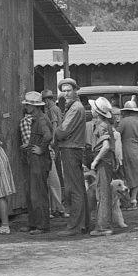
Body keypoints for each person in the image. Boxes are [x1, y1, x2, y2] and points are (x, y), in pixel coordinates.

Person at [53, 77, 91, 236]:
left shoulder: (75, 108)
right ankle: (83, 224)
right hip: (72, 148)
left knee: (73, 189)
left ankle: (74, 226)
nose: (66, 93)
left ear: (76, 91)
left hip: (70, 149)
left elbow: (63, 131)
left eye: (69, 90)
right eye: (64, 90)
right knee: (78, 188)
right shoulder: (74, 106)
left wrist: (54, 131)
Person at [18, 91, 53, 234]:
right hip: (34, 160)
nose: (26, 107)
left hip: (39, 160)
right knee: (31, 193)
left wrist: (41, 149)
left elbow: (48, 136)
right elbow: (41, 137)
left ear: (34, 106)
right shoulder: (36, 119)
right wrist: (31, 144)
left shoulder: (42, 119)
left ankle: (42, 225)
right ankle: (33, 223)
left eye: (28, 105)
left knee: (38, 193)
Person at [88, 97, 117, 236]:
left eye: (93, 108)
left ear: (97, 112)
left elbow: (105, 146)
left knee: (103, 193)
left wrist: (95, 161)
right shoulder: (103, 124)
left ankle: (103, 226)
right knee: (103, 192)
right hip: (106, 161)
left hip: (103, 161)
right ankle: (104, 224)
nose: (91, 110)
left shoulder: (102, 125)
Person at [118, 98, 138, 208]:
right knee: (137, 174)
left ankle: (127, 199)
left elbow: (118, 134)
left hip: (126, 149)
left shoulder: (124, 121)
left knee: (127, 174)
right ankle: (134, 198)